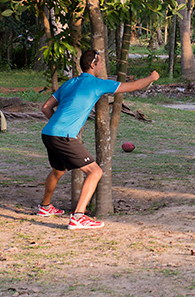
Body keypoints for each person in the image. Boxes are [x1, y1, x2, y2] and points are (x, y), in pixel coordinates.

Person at [38, 49, 159, 230]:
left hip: (48, 133)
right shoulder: (97, 84)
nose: (101, 66)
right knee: (95, 172)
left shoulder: (70, 83)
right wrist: (152, 77)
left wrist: (57, 125)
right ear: (93, 64)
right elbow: (133, 86)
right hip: (64, 136)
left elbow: (46, 107)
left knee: (58, 171)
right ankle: (78, 217)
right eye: (100, 63)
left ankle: (45, 207)